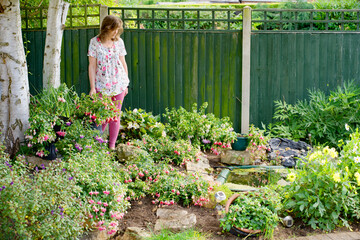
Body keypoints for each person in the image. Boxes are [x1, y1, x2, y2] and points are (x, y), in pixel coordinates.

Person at [88, 15, 129, 150]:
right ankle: (98, 145)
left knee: (115, 117)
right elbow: (92, 66)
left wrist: (126, 83)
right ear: (107, 28)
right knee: (103, 116)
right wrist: (93, 88)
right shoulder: (95, 42)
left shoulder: (119, 42)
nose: (116, 32)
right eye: (114, 29)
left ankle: (111, 147)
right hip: (102, 85)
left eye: (118, 29)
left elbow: (123, 63)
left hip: (118, 84)